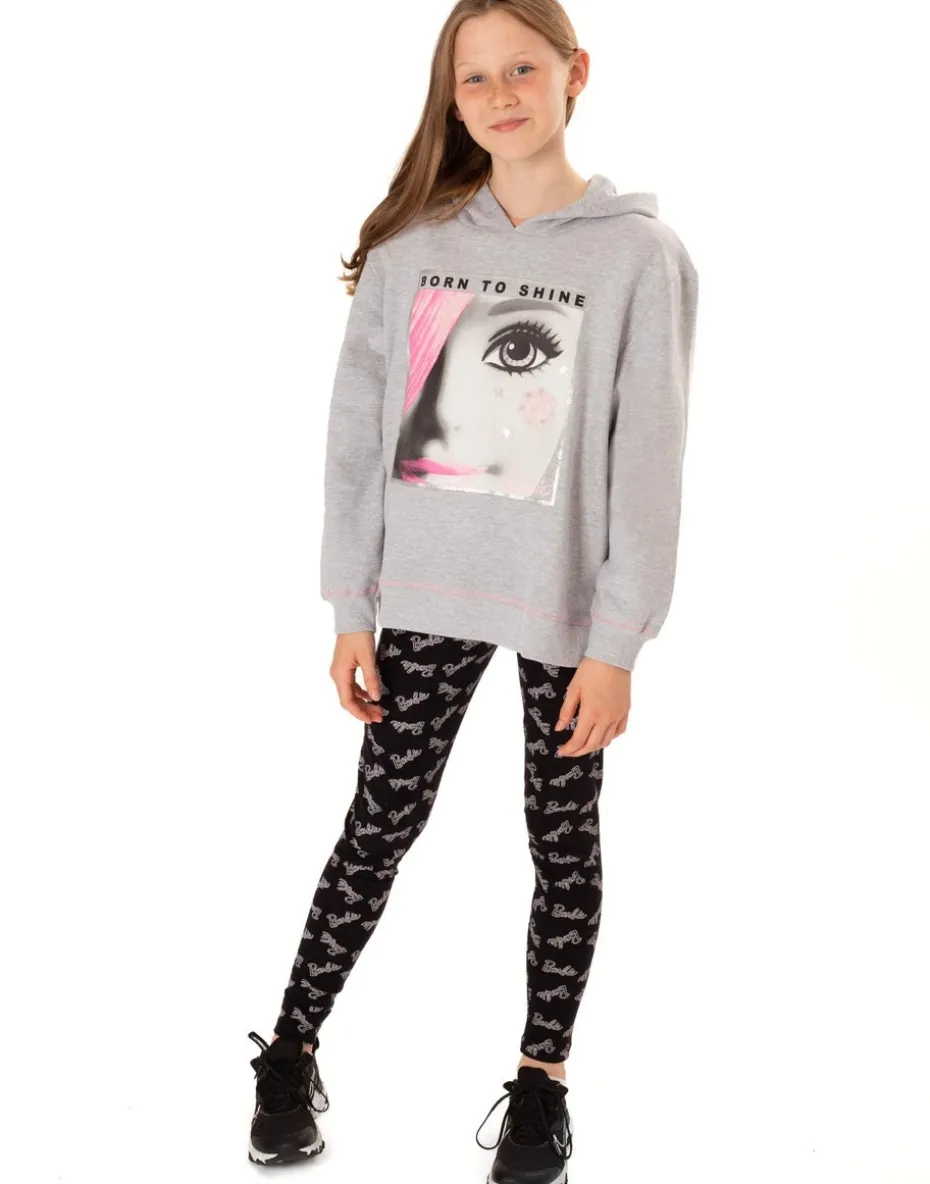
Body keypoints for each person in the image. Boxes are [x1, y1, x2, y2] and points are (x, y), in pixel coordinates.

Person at [247, 0, 699, 1179]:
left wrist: (618, 641)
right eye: (475, 79)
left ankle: (541, 1086)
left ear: (575, 73)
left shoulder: (639, 256)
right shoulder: (412, 247)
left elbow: (649, 456)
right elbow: (355, 441)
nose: (500, 96)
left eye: (522, 70)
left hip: (565, 605)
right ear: (451, 99)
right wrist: (351, 605)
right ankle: (289, 1049)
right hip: (425, 591)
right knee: (378, 825)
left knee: (563, 837)